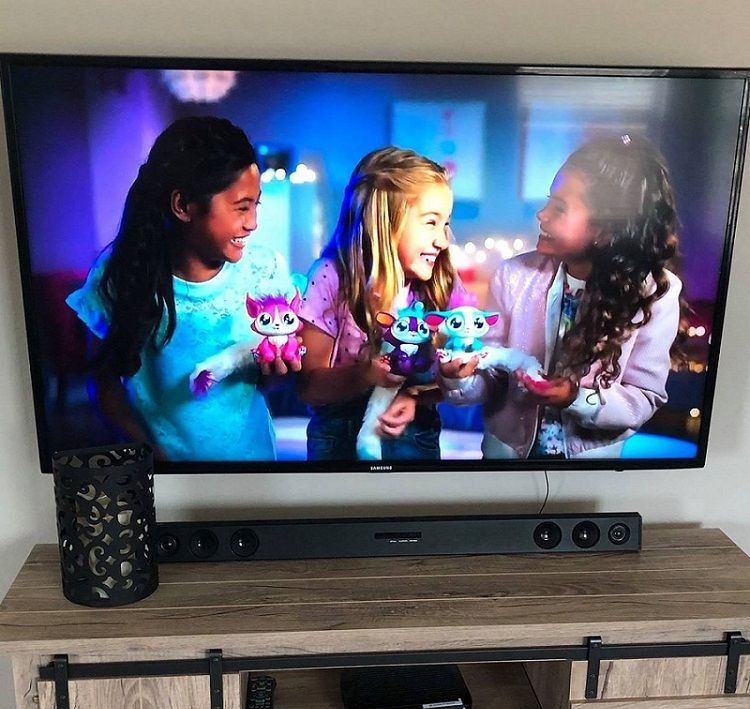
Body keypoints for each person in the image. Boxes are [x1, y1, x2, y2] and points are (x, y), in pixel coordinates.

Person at [67, 116, 299, 461]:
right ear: (183, 206)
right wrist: (148, 453)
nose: (253, 223)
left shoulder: (266, 270)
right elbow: (104, 386)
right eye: (241, 207)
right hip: (162, 476)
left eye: (256, 204)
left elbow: (268, 381)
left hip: (254, 471)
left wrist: (278, 373)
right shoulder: (120, 274)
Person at [441, 135, 684, 459]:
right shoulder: (513, 275)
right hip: (504, 463)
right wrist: (460, 378)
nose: (541, 215)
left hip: (587, 474)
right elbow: (491, 376)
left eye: (559, 208)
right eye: (548, 201)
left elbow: (642, 398)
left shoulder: (655, 293)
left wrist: (575, 397)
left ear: (605, 231)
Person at [298, 146, 475, 461]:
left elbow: (455, 381)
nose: (443, 240)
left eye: (446, 224)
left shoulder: (441, 281)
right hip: (339, 447)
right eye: (431, 222)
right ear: (384, 220)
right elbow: (309, 386)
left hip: (416, 444)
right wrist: (366, 375)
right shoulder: (331, 277)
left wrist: (422, 393)